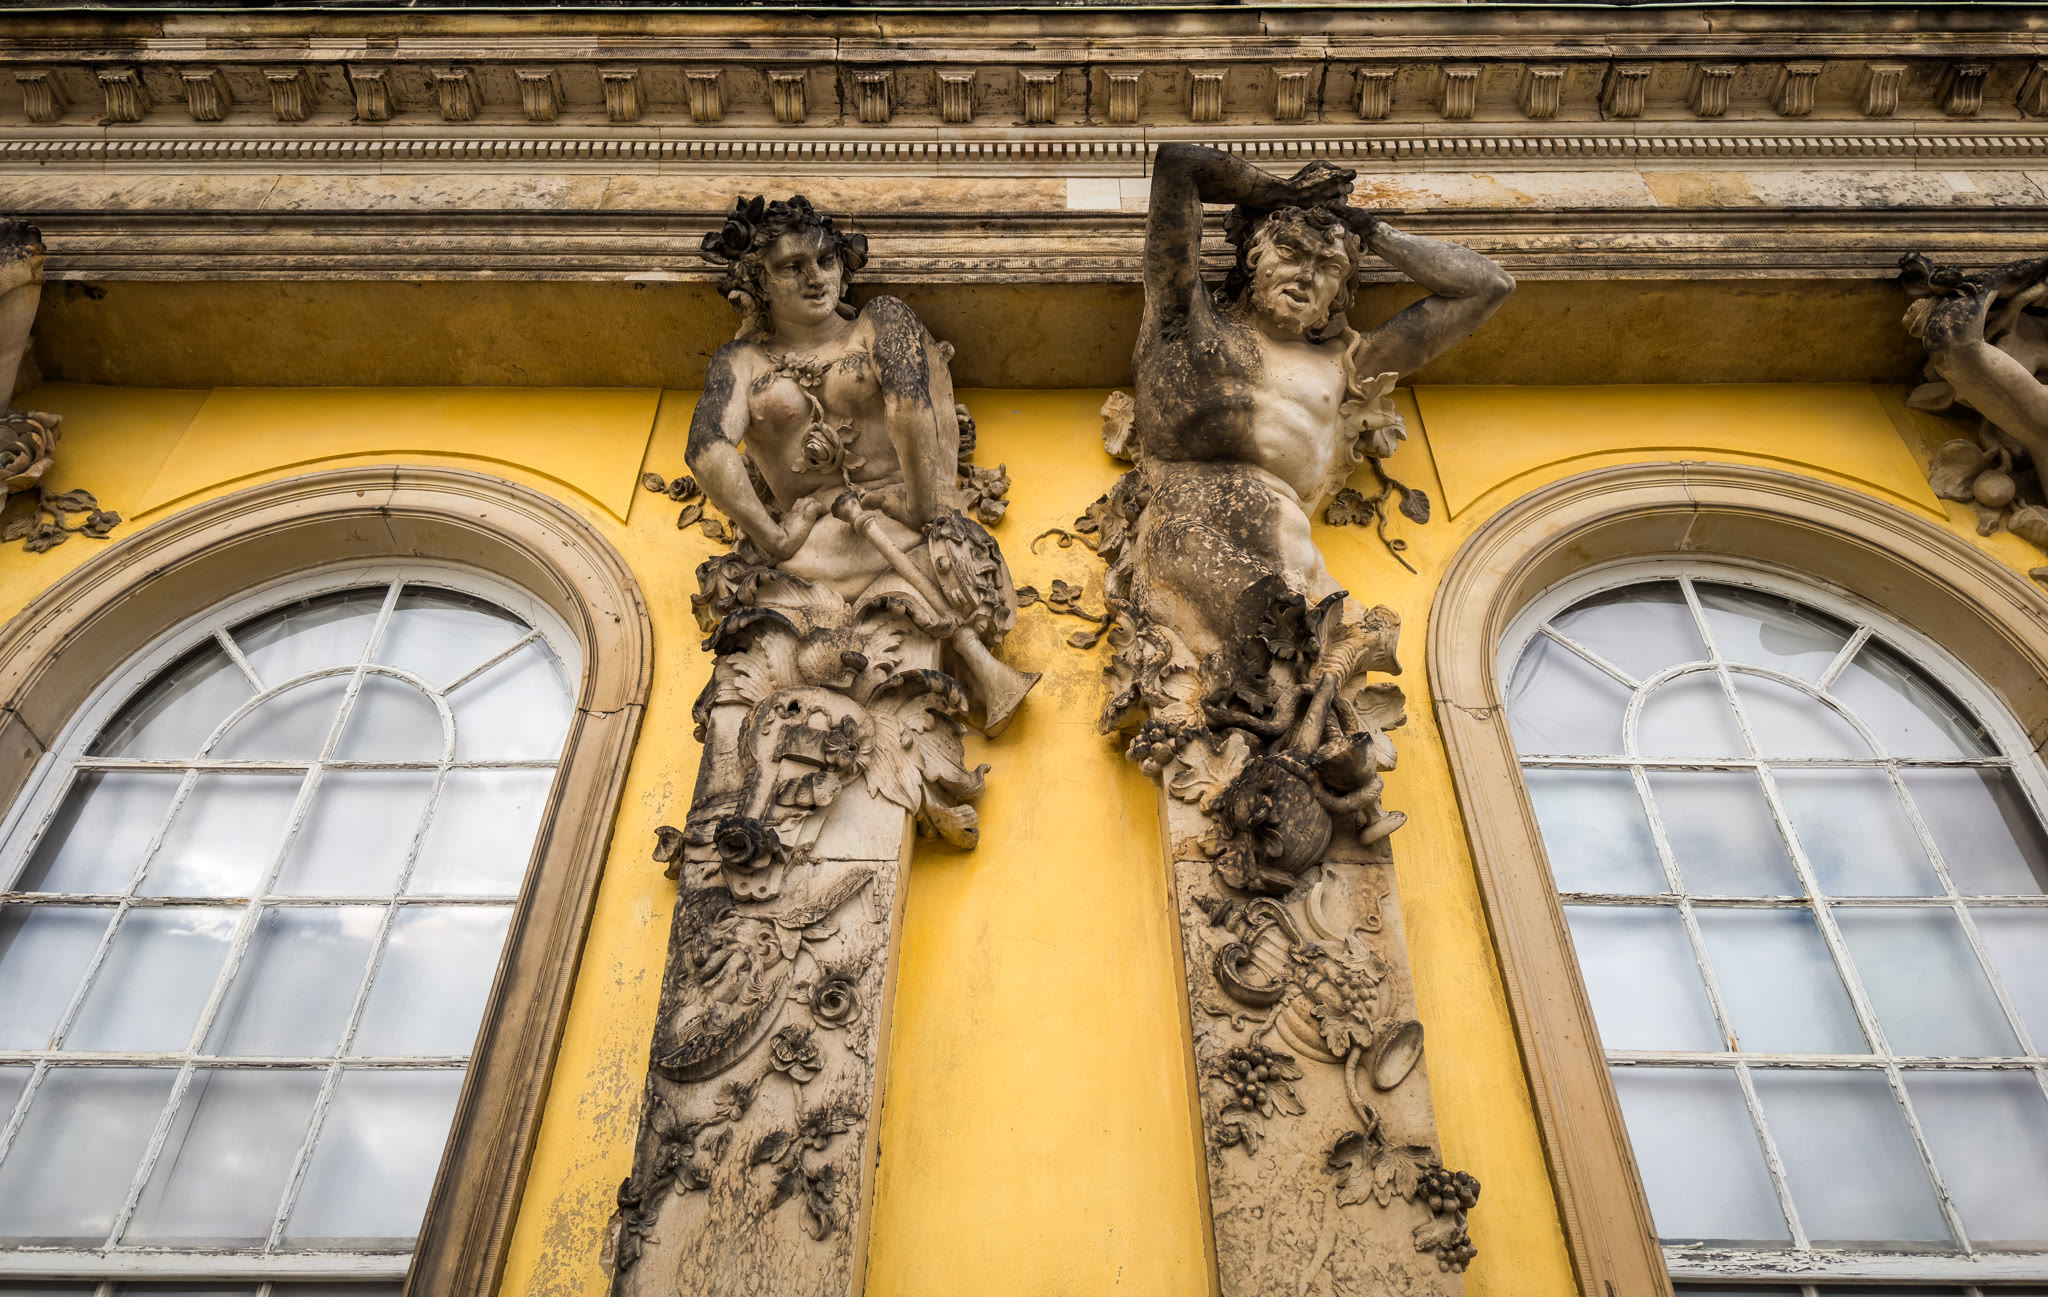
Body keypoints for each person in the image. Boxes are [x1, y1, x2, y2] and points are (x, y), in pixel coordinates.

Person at [1129, 143, 1514, 668]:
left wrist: (1371, 230)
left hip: (1301, 573)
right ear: (1253, 258)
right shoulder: (1185, 325)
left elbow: (1487, 287)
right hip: (1193, 540)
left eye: (1328, 266)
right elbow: (1180, 166)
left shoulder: (1346, 363)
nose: (1307, 275)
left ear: (1339, 291)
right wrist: (1281, 193)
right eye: (1291, 253)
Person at [689, 195, 961, 604]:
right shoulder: (741, 359)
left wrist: (778, 541)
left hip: (900, 548)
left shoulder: (878, 319)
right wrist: (775, 540)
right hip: (815, 564)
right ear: (759, 281)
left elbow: (909, 406)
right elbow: (707, 452)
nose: (815, 278)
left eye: (826, 260)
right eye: (793, 267)